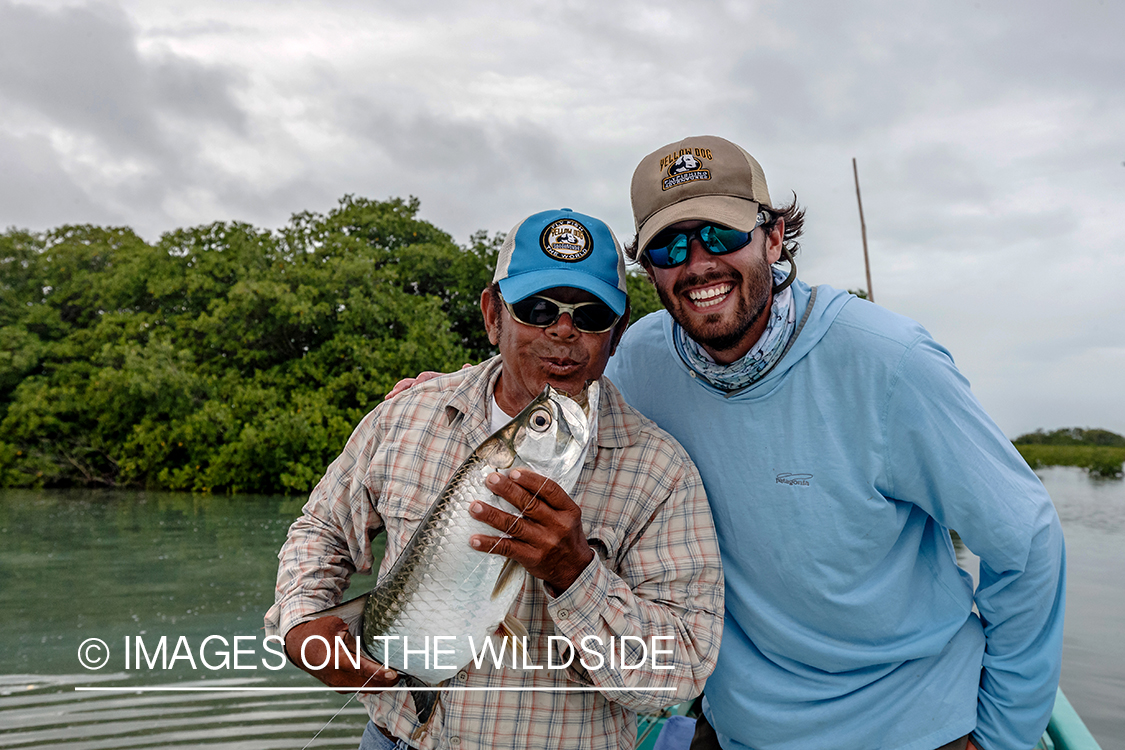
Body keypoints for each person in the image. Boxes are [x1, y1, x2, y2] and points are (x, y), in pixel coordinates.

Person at [603, 135, 1066, 750]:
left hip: (914, 727)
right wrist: (444, 401)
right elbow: (553, 428)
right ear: (648, 266)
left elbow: (1028, 544)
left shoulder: (893, 361)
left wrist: (1002, 738)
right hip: (742, 726)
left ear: (772, 236)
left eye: (721, 235)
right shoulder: (640, 361)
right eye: (668, 245)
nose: (697, 264)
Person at [264, 208, 724, 750]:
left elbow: (683, 668)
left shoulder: (661, 472)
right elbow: (321, 528)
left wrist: (575, 575)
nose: (563, 329)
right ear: (492, 316)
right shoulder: (406, 414)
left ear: (617, 336)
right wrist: (301, 621)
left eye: (592, 314)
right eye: (536, 308)